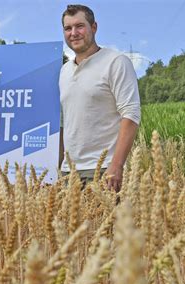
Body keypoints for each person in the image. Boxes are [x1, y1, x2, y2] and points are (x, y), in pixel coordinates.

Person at [58, 4, 140, 192]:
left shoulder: (116, 62)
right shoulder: (63, 71)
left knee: (108, 222)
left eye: (79, 26)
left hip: (105, 170)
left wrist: (116, 165)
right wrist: (57, 167)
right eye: (68, 28)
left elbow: (131, 114)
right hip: (68, 173)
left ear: (93, 27)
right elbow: (64, 121)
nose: (74, 33)